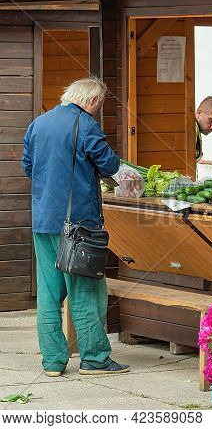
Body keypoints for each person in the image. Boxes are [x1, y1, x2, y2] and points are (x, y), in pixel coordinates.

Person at [21, 78, 130, 377]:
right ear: (93, 102)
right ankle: (94, 359)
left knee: (48, 292)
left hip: (43, 221)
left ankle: (53, 362)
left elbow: (28, 167)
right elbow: (109, 165)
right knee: (86, 290)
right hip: (78, 225)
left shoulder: (39, 124)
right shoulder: (86, 124)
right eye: (100, 106)